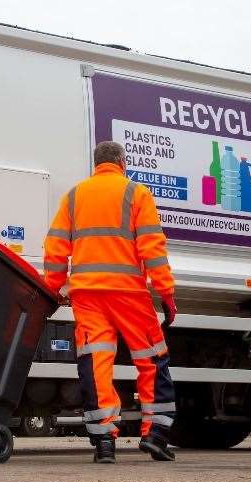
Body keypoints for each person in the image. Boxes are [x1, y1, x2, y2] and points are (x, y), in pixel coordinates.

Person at [43, 141, 178, 463]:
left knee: (96, 363)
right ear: (122, 161)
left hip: (88, 296)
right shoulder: (137, 194)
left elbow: (56, 247)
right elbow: (152, 249)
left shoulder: (74, 196)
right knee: (151, 360)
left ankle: (104, 442)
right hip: (128, 294)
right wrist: (167, 294)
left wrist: (54, 287)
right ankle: (156, 436)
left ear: (96, 163)